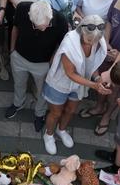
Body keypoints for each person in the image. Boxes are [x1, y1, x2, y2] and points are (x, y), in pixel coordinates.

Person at [41, 16, 110, 155]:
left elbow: (92, 64)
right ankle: (48, 135)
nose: (92, 43)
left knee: (71, 110)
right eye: (89, 40)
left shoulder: (96, 38)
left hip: (80, 83)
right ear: (81, 31)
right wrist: (94, 85)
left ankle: (61, 130)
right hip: (60, 82)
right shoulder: (69, 43)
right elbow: (70, 73)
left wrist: (97, 78)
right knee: (56, 112)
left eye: (96, 41)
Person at [6, 0, 67, 132]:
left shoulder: (61, 21)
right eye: (36, 25)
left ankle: (39, 113)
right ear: (29, 15)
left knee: (42, 91)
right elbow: (15, 28)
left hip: (43, 63)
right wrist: (12, 51)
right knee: (19, 83)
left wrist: (51, 62)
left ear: (50, 17)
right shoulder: (22, 8)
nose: (41, 29)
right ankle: (18, 103)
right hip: (19, 57)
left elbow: (61, 46)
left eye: (45, 25)